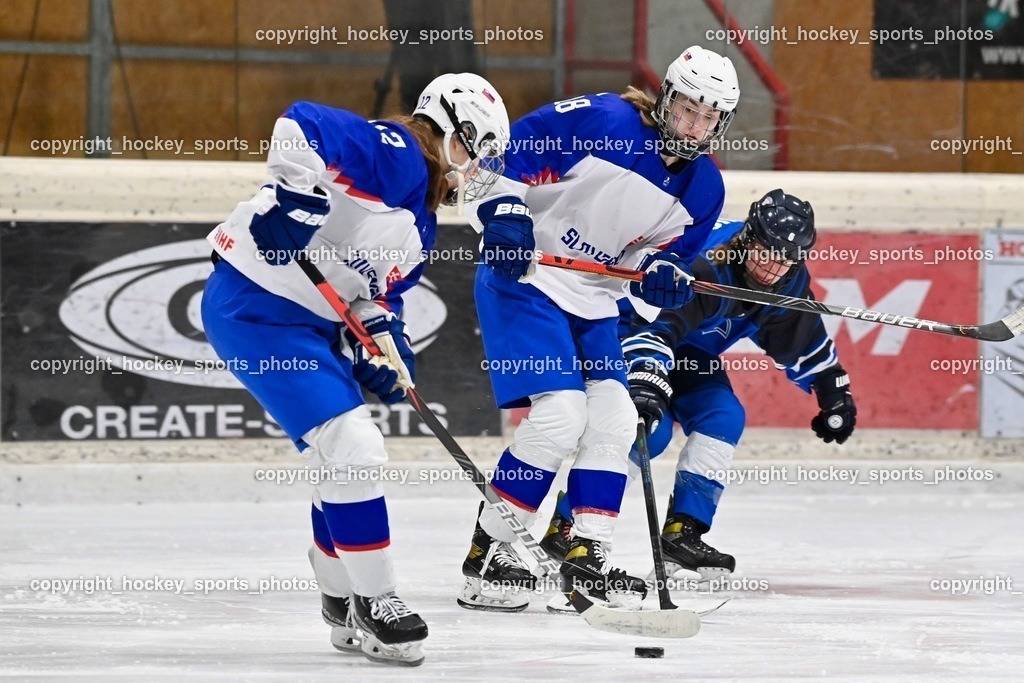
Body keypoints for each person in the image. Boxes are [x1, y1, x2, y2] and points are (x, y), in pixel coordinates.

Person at [200, 73, 509, 666]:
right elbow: (301, 122)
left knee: (339, 457)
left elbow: (371, 295)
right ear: (452, 134)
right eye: (478, 154)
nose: (476, 172)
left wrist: (384, 343)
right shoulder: (398, 157)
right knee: (355, 447)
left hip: (308, 323)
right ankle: (376, 598)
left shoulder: (420, 223)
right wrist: (295, 196)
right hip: (258, 308)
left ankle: (341, 601)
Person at [457, 45, 741, 612]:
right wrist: (506, 213)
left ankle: (586, 557)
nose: (694, 125)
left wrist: (663, 278)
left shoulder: (706, 188)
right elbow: (513, 155)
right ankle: (490, 553)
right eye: (687, 108)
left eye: (708, 117)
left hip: (592, 300)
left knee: (615, 416)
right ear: (666, 98)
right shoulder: (607, 120)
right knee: (562, 414)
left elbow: (659, 264)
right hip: (528, 278)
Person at [542, 189, 858, 581]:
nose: (773, 270)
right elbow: (652, 325)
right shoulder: (706, 264)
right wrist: (647, 379)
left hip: (690, 351)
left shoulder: (787, 278)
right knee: (646, 436)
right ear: (746, 240)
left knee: (723, 416)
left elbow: (800, 336)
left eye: (786, 259)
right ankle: (566, 525)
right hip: (629, 334)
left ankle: (683, 532)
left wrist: (832, 389)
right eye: (766, 253)